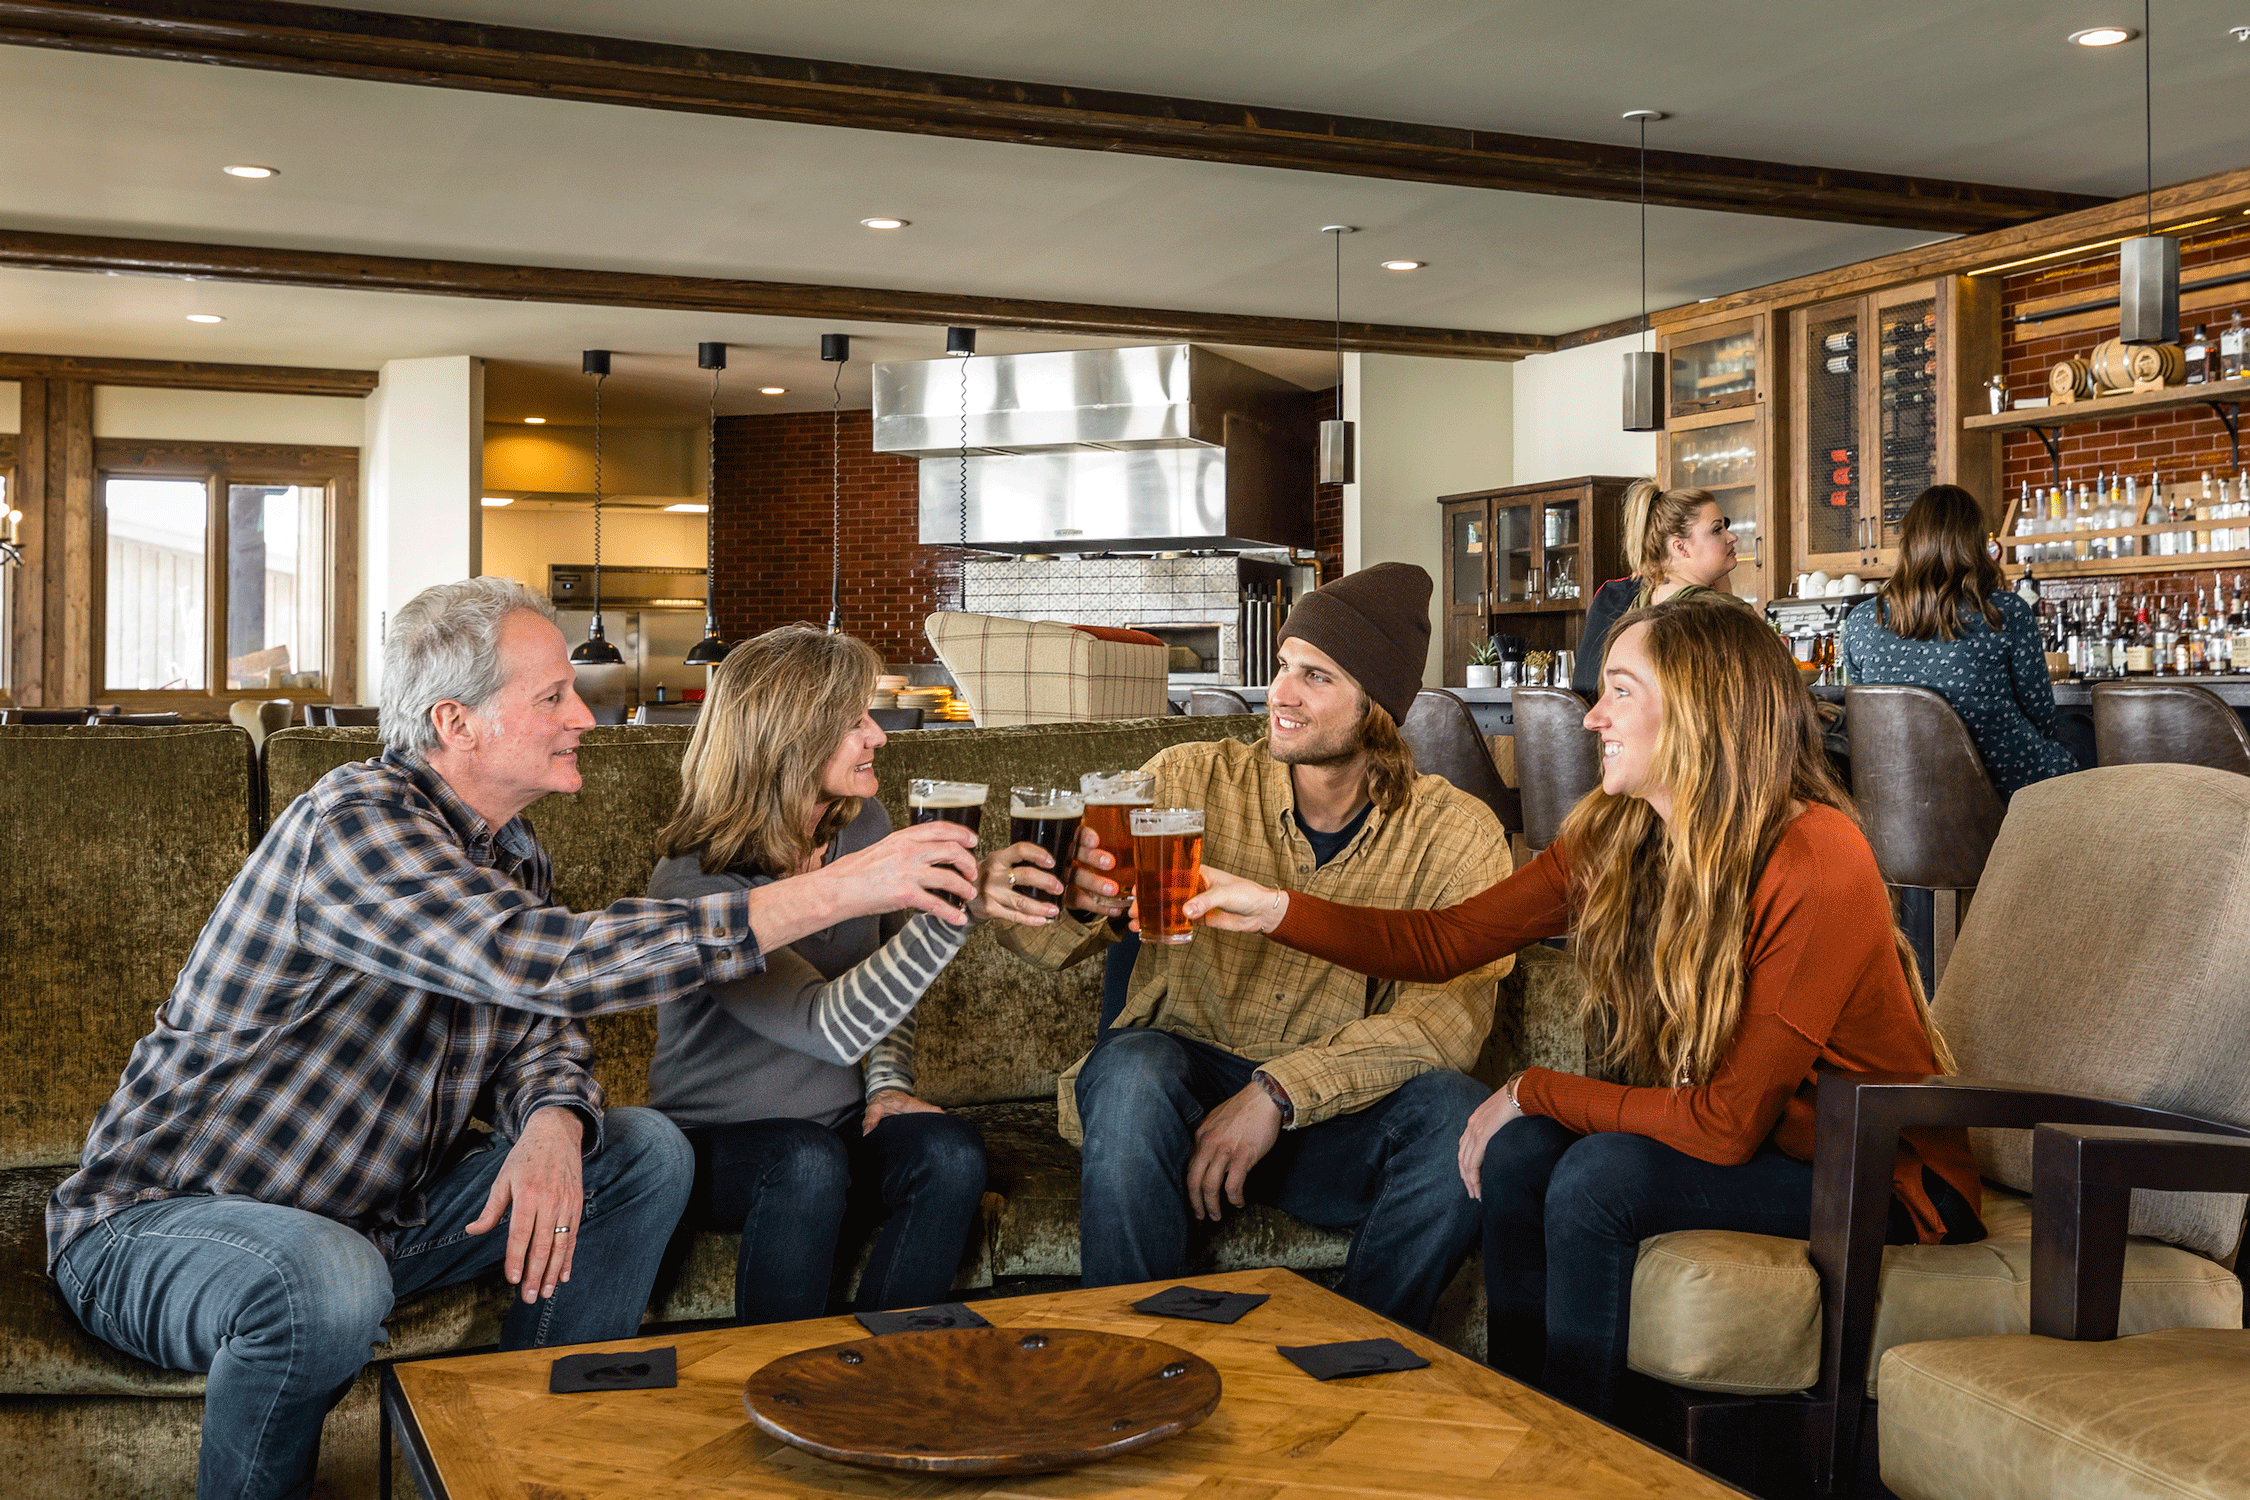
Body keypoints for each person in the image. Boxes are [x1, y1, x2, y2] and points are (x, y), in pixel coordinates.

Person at [45, 578, 980, 1500]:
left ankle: (536, 1464)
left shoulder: (513, 852)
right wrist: (846, 887)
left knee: (641, 1152)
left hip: (381, 1224)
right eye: (552, 697)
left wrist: (553, 1122)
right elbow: (545, 963)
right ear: (456, 723)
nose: (585, 717)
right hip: (165, 1226)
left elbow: (542, 1035)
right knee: (324, 1275)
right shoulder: (353, 825)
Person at [1187, 595, 1984, 1421]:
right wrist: (1273, 908)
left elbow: (1725, 1125)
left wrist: (1532, 1088)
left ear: (1701, 712)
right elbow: (1444, 941)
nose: (1592, 717)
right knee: (1520, 1155)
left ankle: (1585, 1450)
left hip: (1885, 1177)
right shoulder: (1623, 835)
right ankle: (1525, 1427)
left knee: (1599, 1178)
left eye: (1620, 692)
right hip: (1770, 1146)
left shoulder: (1816, 855)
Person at [996, 562, 1511, 1331]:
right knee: (1134, 1069)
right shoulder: (1186, 779)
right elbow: (1036, 946)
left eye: (1315, 676)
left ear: (1377, 708)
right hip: (1172, 1097)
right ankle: (1139, 1358)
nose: (1281, 694)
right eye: (1282, 666)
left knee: (1458, 1116)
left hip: (1330, 1117)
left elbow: (1444, 1026)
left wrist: (1278, 1092)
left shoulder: (1458, 835)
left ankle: (1352, 1356)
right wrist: (1069, 902)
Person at [647, 625, 1045, 1324]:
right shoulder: (696, 884)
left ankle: (888, 1358)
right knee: (805, 1161)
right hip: (717, 1147)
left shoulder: (865, 829)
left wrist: (888, 1087)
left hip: (835, 1130)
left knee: (950, 1152)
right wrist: (958, 910)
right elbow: (831, 1026)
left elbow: (890, 984)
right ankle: (784, 1369)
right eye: (853, 722)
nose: (878, 736)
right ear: (789, 738)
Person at [1839, 484, 2084, 794]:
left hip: (1898, 793)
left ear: (1908, 543)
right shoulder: (2005, 612)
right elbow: (2042, 717)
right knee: (2084, 736)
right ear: (1976, 544)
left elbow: (1866, 704)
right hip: (2004, 789)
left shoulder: (1861, 620)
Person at [1571, 480, 1743, 696]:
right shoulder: (1715, 612)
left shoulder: (1639, 605)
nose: (1732, 537)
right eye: (1717, 530)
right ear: (1680, 547)